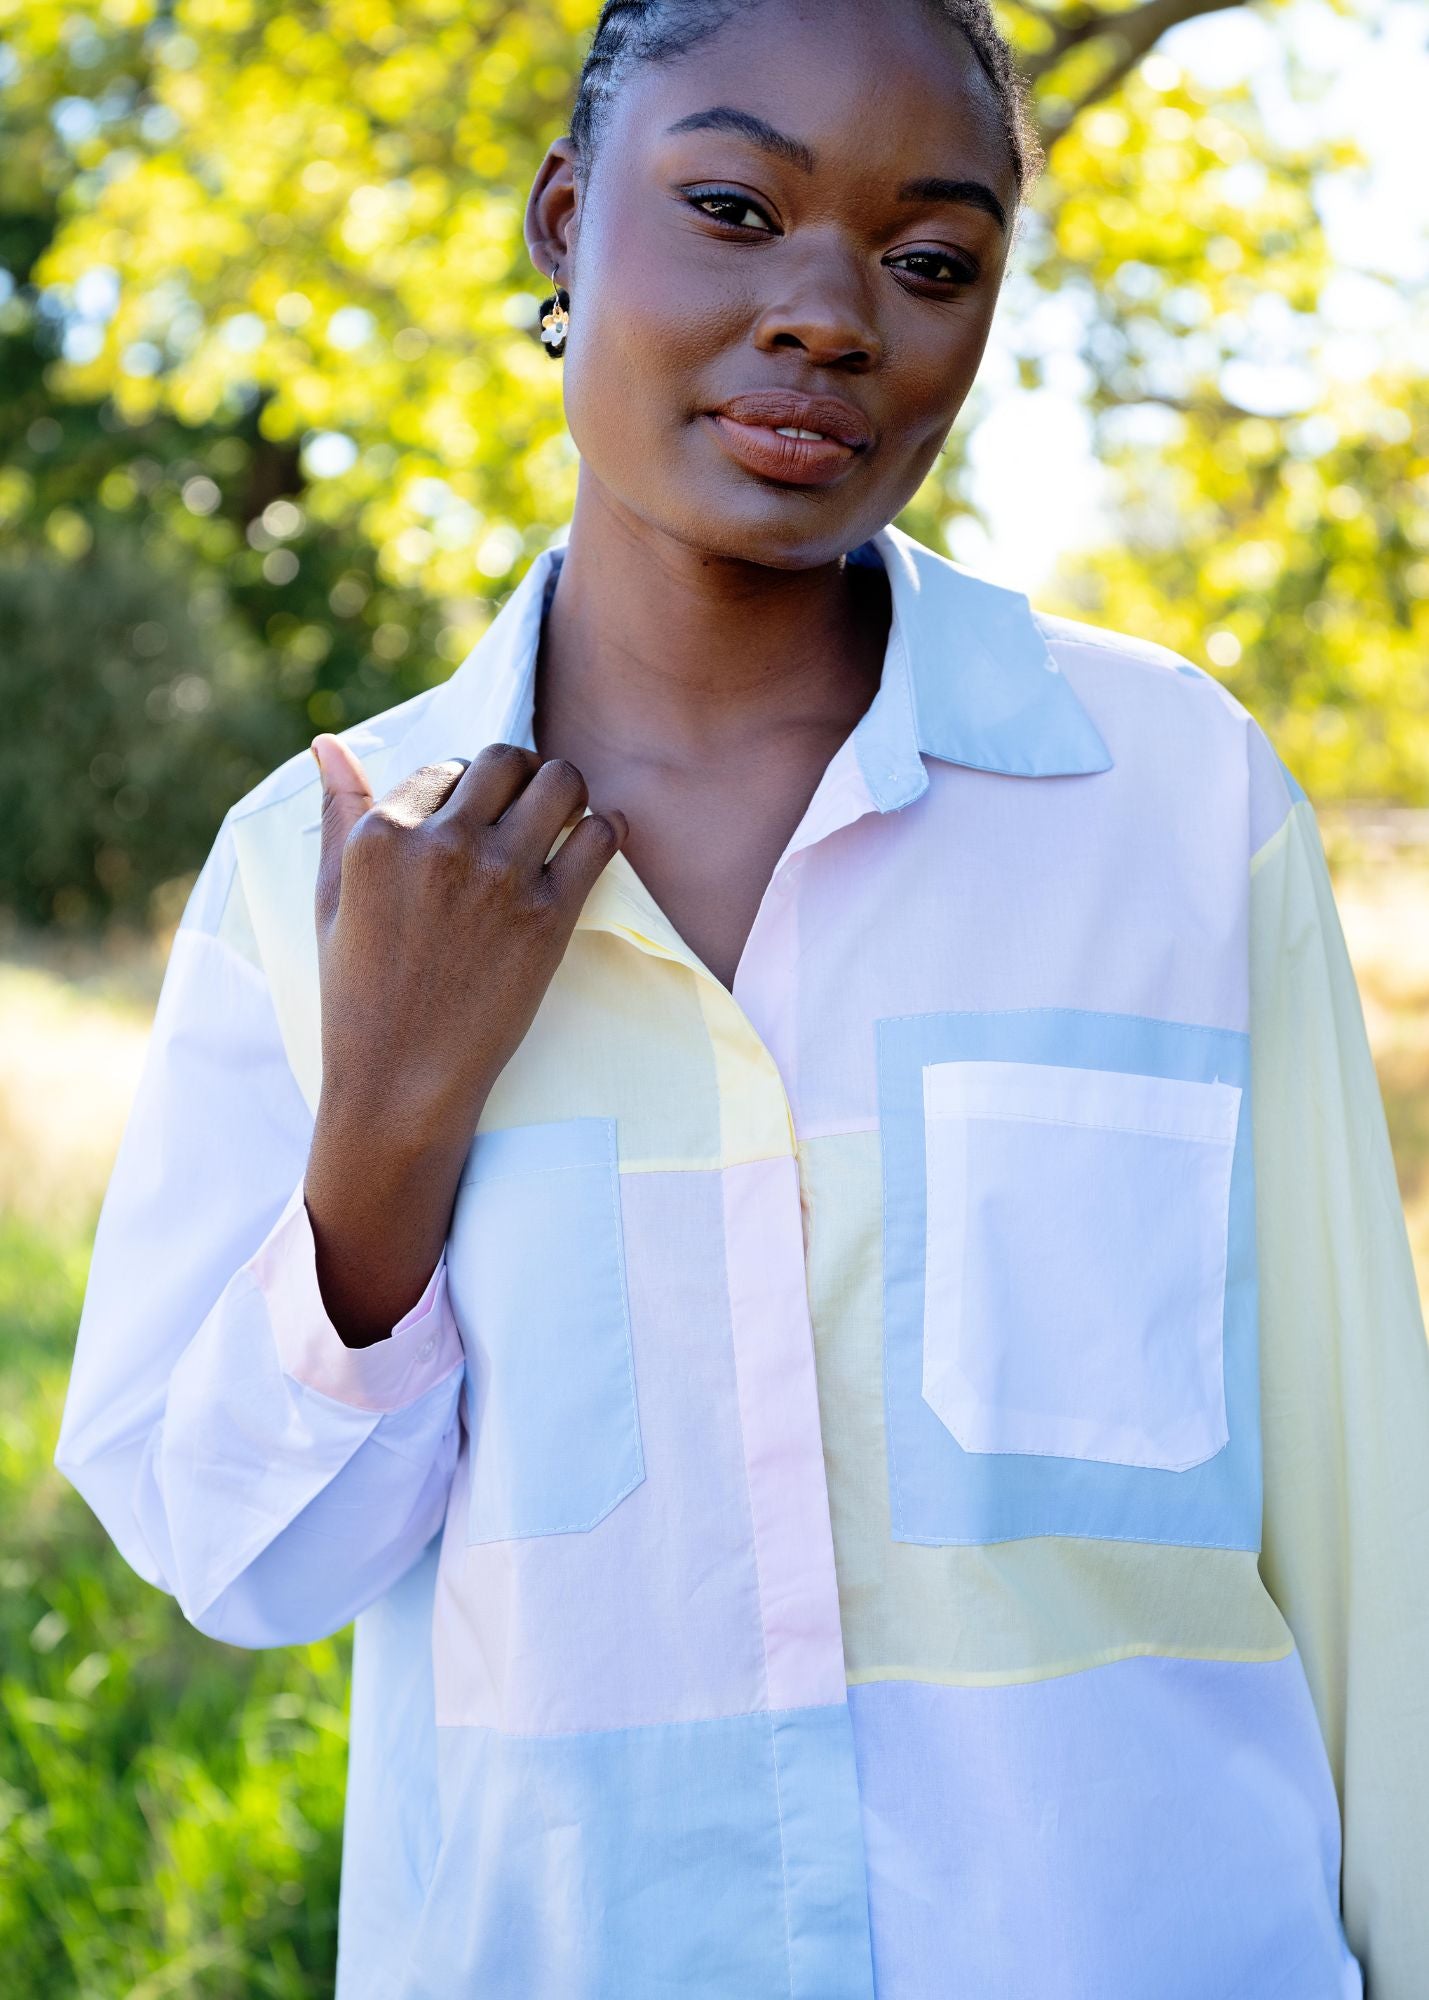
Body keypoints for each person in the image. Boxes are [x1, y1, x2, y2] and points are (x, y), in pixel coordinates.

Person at [53, 0, 1429, 1994]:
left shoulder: (1173, 801)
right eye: (730, 206)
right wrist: (391, 1128)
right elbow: (240, 1563)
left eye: (928, 258)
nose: (829, 312)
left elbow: (1368, 1537)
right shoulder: (319, 858)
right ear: (560, 217)